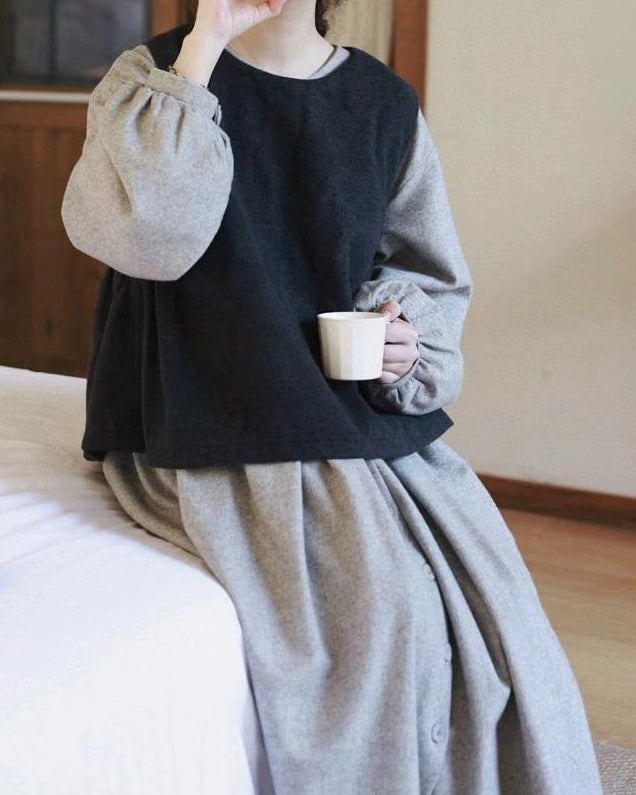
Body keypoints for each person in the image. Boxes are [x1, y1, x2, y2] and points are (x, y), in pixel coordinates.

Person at [61, 1, 603, 792]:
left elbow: (425, 272)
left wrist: (405, 337)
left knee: (491, 600)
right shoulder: (152, 78)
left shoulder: (382, 103)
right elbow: (152, 241)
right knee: (379, 610)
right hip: (204, 412)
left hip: (336, 403)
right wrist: (206, 44)